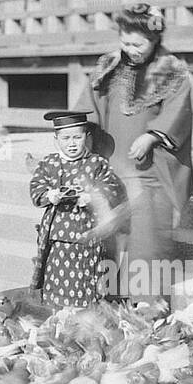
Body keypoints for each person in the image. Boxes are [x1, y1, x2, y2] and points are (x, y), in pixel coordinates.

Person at [74, 3, 193, 304]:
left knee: (146, 241)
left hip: (149, 170)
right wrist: (79, 131)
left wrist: (153, 135)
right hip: (112, 164)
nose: (130, 49)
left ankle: (147, 308)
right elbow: (88, 106)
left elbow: (178, 113)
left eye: (138, 44)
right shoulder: (109, 66)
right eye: (125, 42)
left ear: (155, 41)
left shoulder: (172, 71)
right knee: (110, 238)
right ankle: (109, 303)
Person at [28, 111, 128, 309]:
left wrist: (92, 197)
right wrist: (50, 195)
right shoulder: (49, 164)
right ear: (56, 140)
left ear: (87, 137)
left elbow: (112, 188)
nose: (71, 143)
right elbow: (36, 187)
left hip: (88, 236)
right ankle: (57, 314)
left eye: (77, 137)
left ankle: (87, 314)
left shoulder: (97, 164)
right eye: (65, 138)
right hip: (57, 236)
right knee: (57, 275)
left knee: (87, 277)